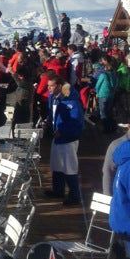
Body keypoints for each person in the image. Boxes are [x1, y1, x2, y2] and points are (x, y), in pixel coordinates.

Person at [44, 74, 84, 205]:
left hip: (68, 139)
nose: (49, 88)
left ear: (60, 86)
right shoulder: (54, 99)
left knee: (69, 166)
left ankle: (74, 195)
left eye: (51, 86)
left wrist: (62, 131)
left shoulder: (71, 101)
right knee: (56, 164)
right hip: (57, 137)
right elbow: (52, 115)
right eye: (48, 85)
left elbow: (77, 122)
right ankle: (58, 189)